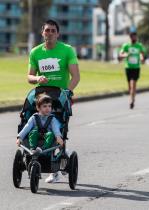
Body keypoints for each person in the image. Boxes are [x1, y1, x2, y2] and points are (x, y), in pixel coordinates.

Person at [27, 19, 80, 183]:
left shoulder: (67, 50)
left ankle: (57, 164)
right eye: (47, 30)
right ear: (42, 32)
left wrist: (67, 92)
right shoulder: (35, 52)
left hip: (60, 96)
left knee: (57, 126)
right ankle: (32, 150)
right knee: (34, 122)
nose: (49, 33)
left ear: (57, 33)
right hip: (41, 96)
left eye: (52, 30)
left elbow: (76, 77)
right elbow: (29, 77)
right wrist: (37, 78)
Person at [119, 30, 145, 109]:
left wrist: (141, 58)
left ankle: (132, 100)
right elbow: (120, 54)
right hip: (128, 67)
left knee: (133, 83)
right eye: (133, 36)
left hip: (136, 67)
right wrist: (126, 55)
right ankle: (132, 96)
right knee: (130, 86)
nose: (134, 38)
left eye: (135, 36)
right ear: (130, 37)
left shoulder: (139, 45)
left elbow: (141, 54)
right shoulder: (126, 46)